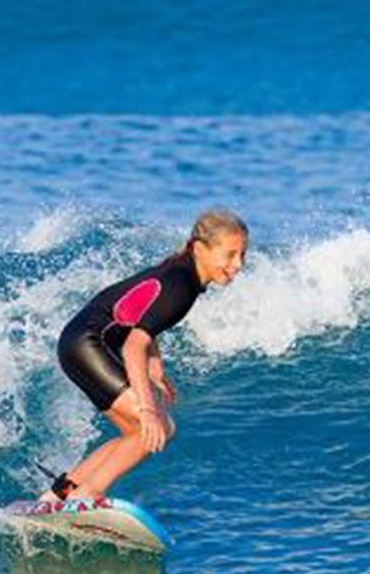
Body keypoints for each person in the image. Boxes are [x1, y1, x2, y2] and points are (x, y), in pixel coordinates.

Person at [45, 210, 248, 502]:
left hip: (78, 342)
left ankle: (60, 495)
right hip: (88, 345)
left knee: (133, 433)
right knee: (155, 427)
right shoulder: (181, 286)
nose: (238, 264)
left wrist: (155, 367)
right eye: (230, 255)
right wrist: (149, 409)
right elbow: (133, 345)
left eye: (242, 255)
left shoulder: (181, 273)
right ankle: (88, 495)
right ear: (200, 249)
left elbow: (144, 322)